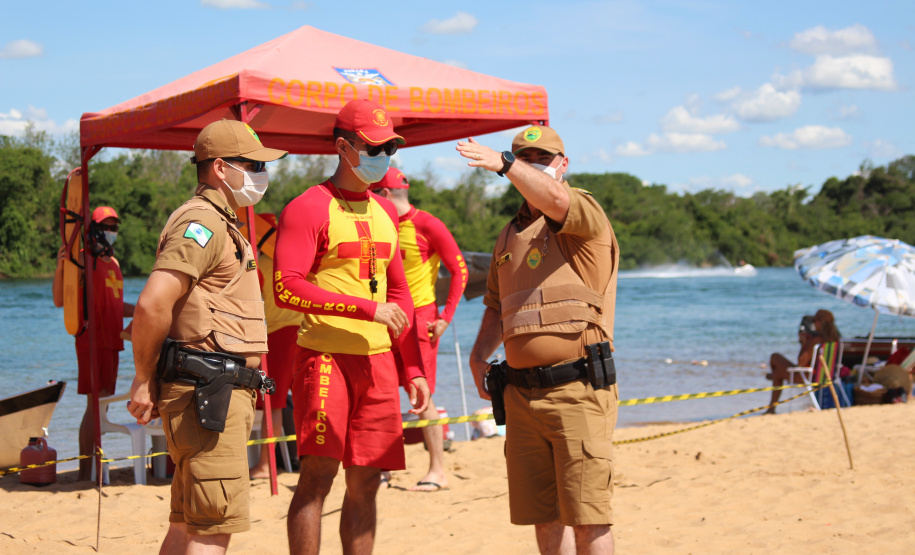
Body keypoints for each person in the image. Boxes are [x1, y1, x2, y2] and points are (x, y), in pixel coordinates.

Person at [274, 99, 430, 555]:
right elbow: (287, 288)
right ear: (344, 147)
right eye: (375, 147)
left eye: (391, 148)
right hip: (324, 356)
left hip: (379, 363)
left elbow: (400, 296)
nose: (385, 156)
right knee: (318, 478)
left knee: (368, 481)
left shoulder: (385, 211)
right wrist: (366, 309)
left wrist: (413, 369)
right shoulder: (307, 207)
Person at [127, 119, 287, 553]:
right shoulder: (204, 223)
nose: (260, 174)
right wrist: (142, 379)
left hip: (210, 393)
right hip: (207, 394)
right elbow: (151, 304)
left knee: (188, 523)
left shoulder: (216, 221)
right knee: (212, 528)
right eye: (252, 164)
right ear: (220, 168)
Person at [459, 125, 621, 554]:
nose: (532, 166)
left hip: (578, 389)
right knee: (545, 520)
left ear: (563, 165)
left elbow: (557, 200)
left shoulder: (581, 211)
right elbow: (497, 305)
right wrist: (478, 357)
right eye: (523, 158)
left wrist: (507, 165)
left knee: (589, 519)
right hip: (522, 395)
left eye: (541, 160)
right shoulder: (510, 235)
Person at [371, 167, 469, 492]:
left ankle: (437, 470)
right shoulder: (377, 225)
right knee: (382, 393)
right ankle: (384, 468)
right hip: (385, 317)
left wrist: (446, 317)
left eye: (372, 193)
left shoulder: (427, 223)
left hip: (420, 319)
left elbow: (460, 270)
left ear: (383, 194)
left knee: (421, 394)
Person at [52, 206, 135, 482]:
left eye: (115, 227)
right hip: (91, 339)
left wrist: (145, 309)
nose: (111, 232)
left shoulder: (114, 263)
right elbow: (60, 300)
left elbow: (115, 305)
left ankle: (93, 465)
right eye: (107, 226)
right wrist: (61, 266)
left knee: (103, 406)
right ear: (95, 228)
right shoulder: (82, 260)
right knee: (94, 404)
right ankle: (85, 470)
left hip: (114, 341)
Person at [250, 220, 304, 479]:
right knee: (302, 399)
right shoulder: (298, 260)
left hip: (279, 333)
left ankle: (264, 464)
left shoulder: (261, 264)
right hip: (303, 329)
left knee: (273, 401)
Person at [766, 309, 840, 413]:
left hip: (809, 376)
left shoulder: (816, 340)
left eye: (814, 321)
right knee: (778, 373)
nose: (813, 324)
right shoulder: (835, 340)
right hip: (826, 376)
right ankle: (771, 407)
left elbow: (801, 362)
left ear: (820, 322)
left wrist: (804, 343)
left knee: (775, 357)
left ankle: (771, 408)